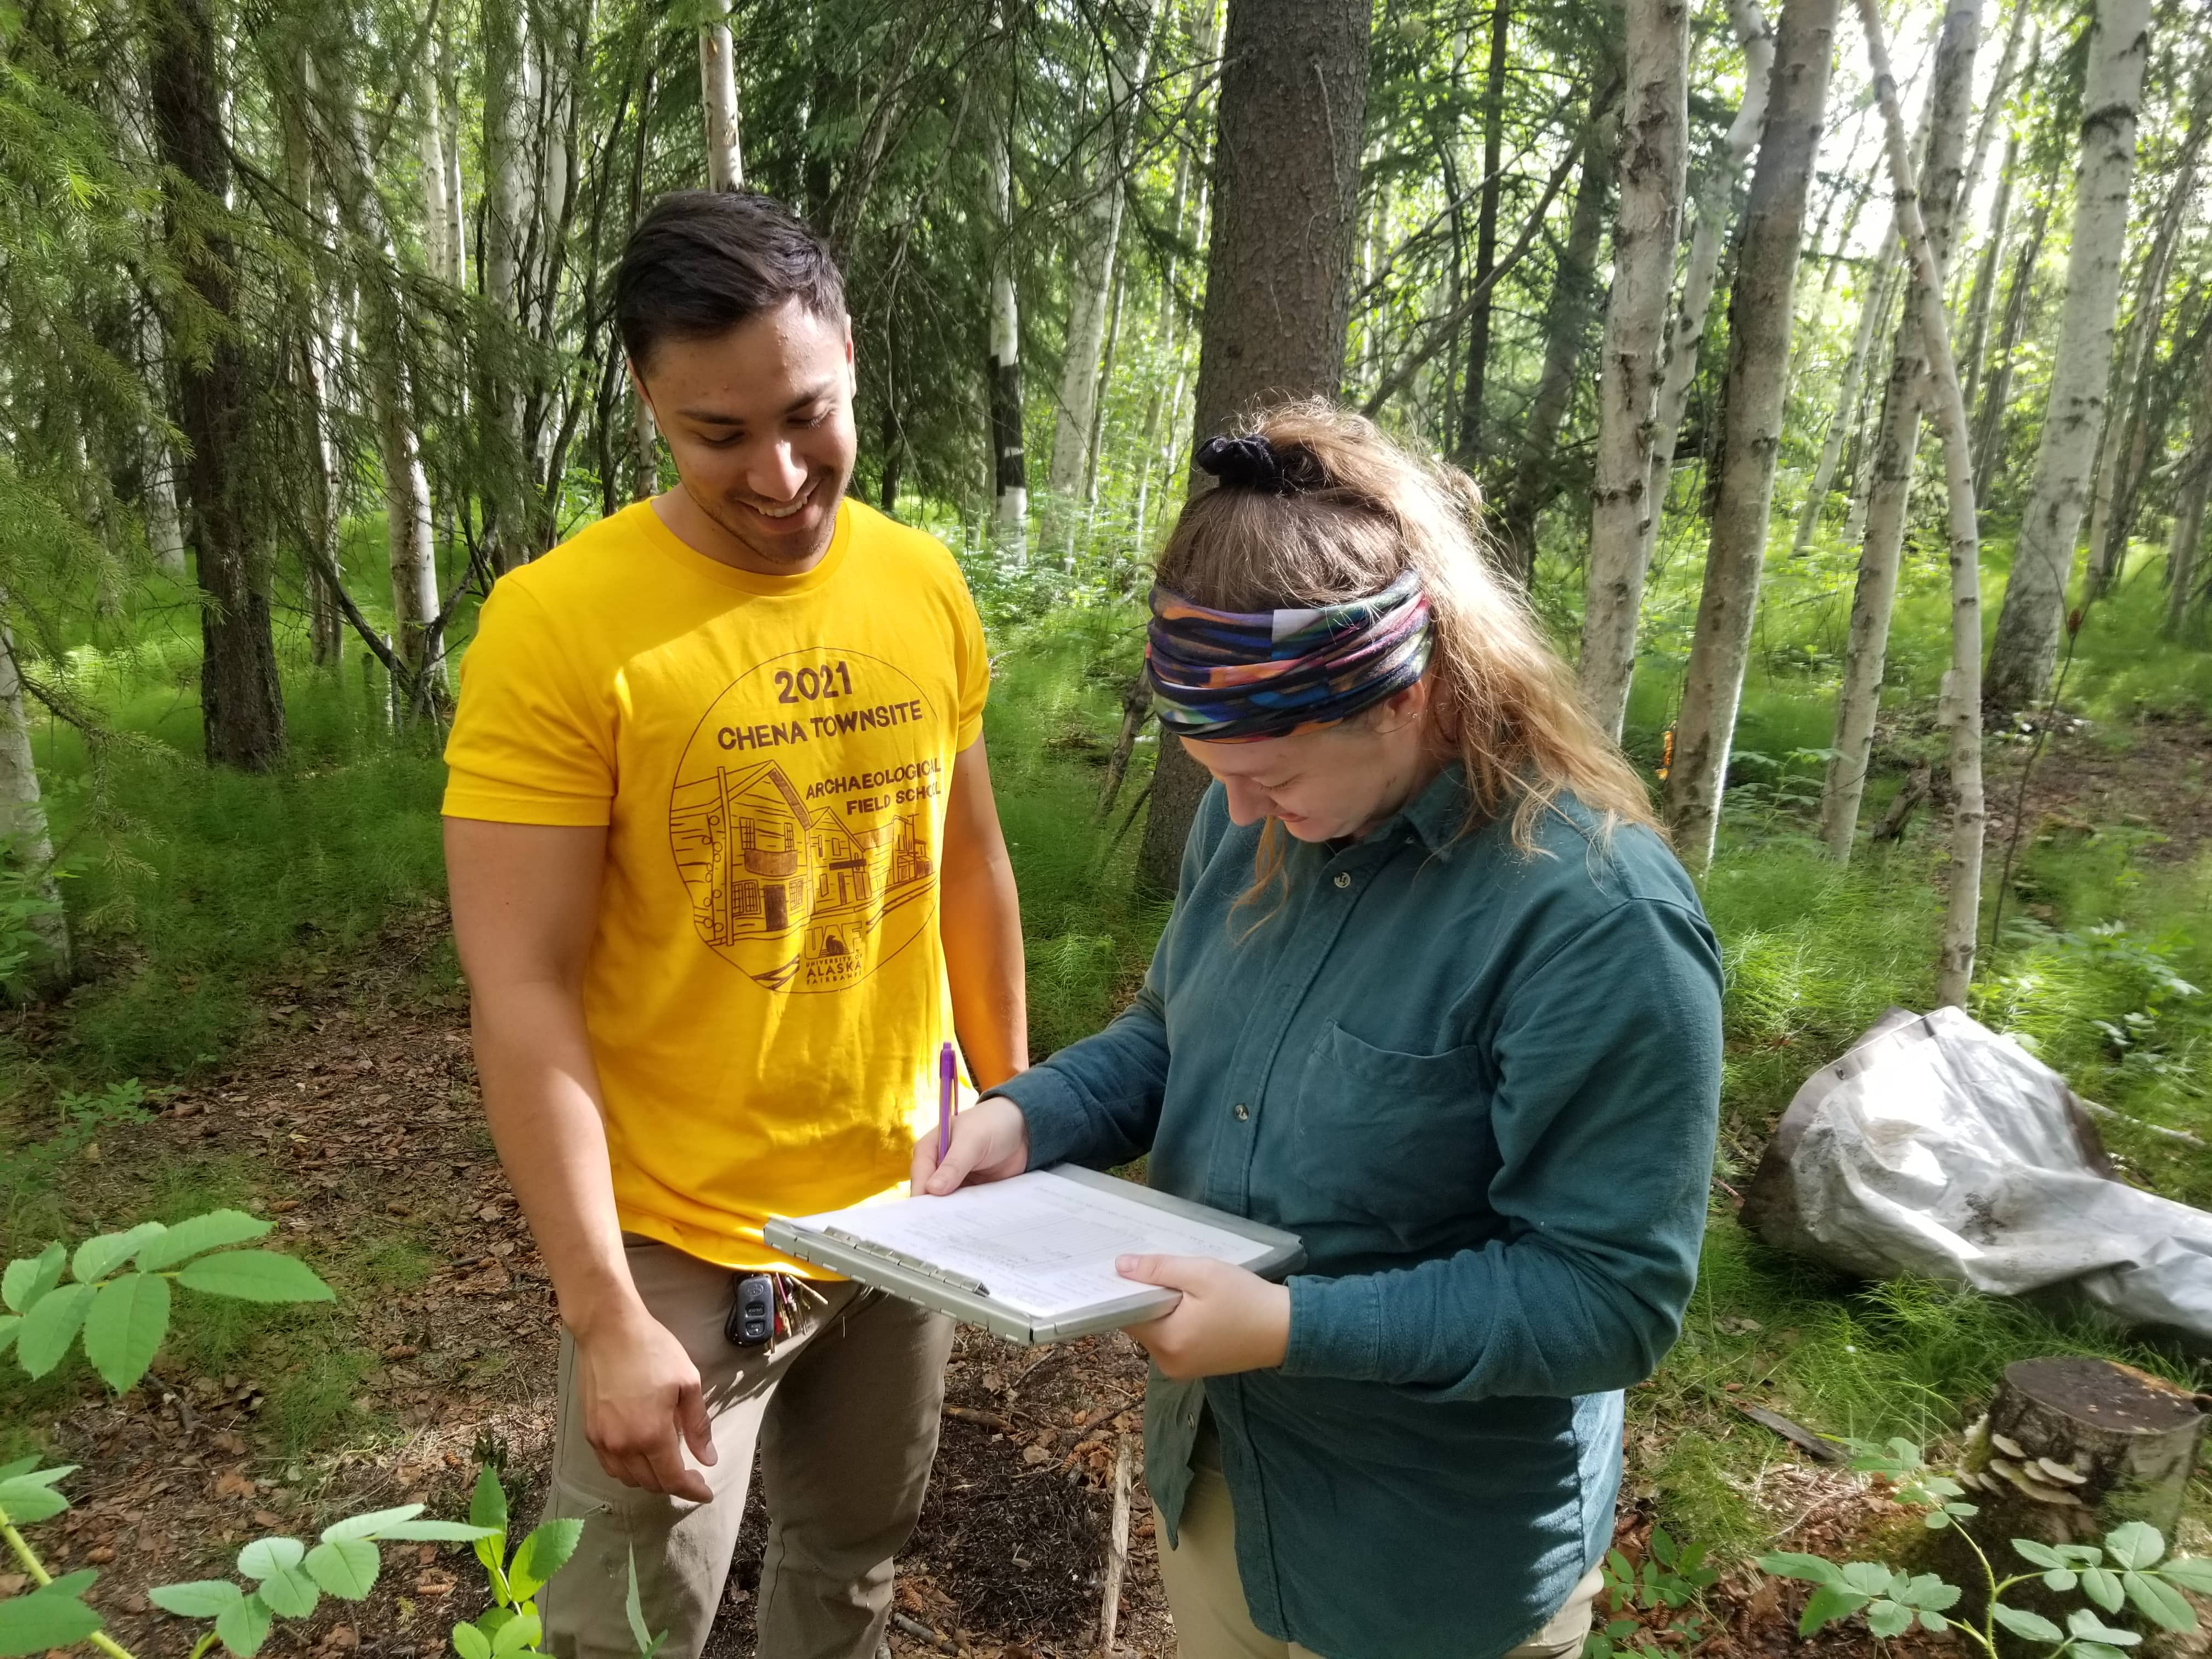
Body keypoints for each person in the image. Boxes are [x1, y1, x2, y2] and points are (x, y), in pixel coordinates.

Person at [916, 403, 1724, 1659]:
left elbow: (1610, 1297)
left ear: (1406, 699)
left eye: (1275, 775)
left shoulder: (1591, 921)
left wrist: (1292, 1328)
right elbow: (1172, 1032)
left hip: (1425, 1560)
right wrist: (1033, 1113)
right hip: (1223, 1482)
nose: (1235, 809)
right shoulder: (1255, 818)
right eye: (1217, 769)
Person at [442, 189, 1027, 1659]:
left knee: (854, 1570)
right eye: (719, 435)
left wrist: (1017, 1112)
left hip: (911, 1207)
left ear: (850, 364)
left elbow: (968, 870)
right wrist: (605, 1315)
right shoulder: (562, 626)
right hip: (686, 1245)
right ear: (649, 401)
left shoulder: (920, 581)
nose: (777, 472)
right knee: (628, 1628)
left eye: (808, 414)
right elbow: (520, 985)